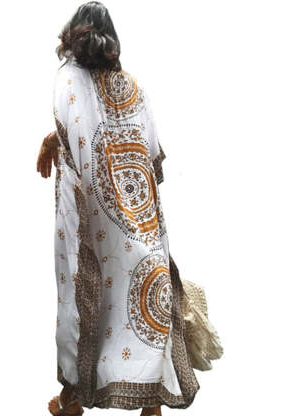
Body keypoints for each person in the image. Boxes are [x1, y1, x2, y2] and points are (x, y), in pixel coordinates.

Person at [36, 2, 200, 415]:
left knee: (84, 304)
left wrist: (52, 141)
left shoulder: (67, 79)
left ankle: (74, 399)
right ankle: (150, 405)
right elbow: (150, 155)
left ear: (71, 36)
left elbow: (77, 131)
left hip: (88, 222)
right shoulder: (133, 86)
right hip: (138, 221)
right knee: (142, 307)